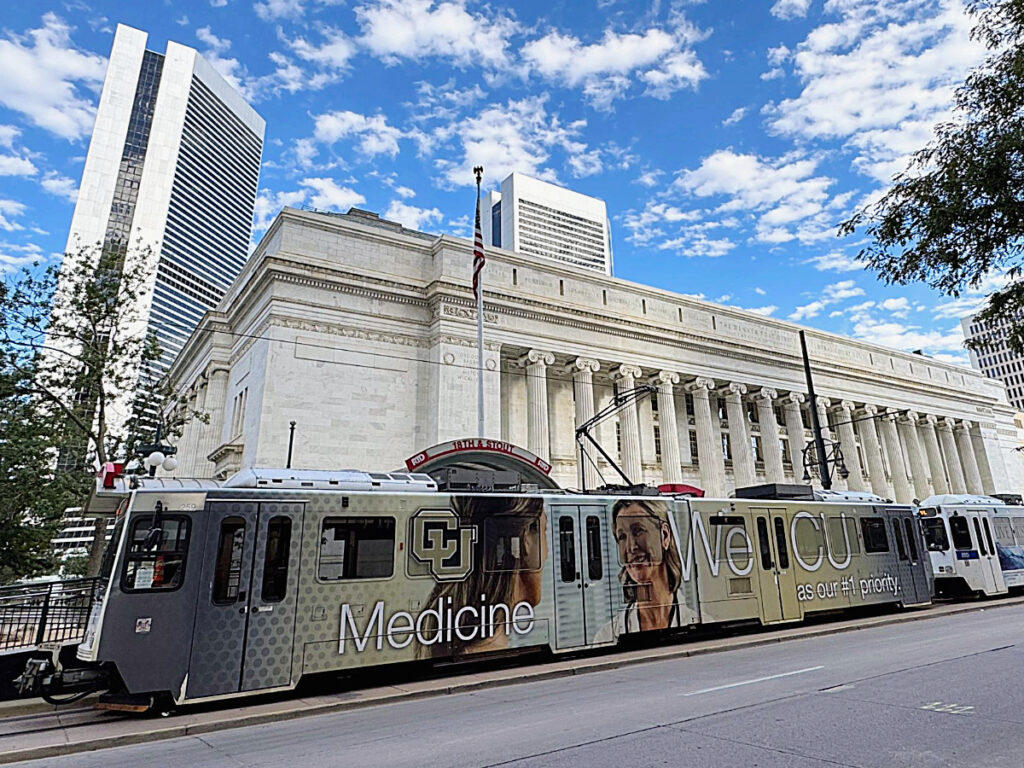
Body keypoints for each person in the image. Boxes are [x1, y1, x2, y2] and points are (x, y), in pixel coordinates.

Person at [418, 496, 546, 658]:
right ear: (526, 540)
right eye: (545, 530)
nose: (547, 553)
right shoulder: (490, 646)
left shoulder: (452, 637)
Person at [593, 499, 696, 643]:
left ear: (664, 535)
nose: (631, 547)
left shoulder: (698, 619)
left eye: (638, 531)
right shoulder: (605, 636)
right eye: (622, 537)